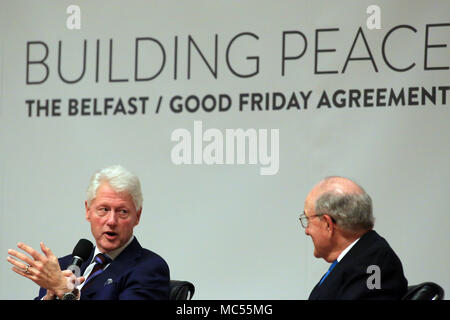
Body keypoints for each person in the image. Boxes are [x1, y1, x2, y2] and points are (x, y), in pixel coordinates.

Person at [7, 165, 170, 300]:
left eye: (122, 212)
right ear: (88, 211)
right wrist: (50, 295)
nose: (111, 220)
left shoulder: (150, 268)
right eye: (104, 209)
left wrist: (66, 292)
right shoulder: (63, 266)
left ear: (137, 216)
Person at [300, 176, 408, 299]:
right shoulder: (358, 259)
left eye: (307, 220)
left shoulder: (374, 265)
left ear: (327, 224)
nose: (307, 231)